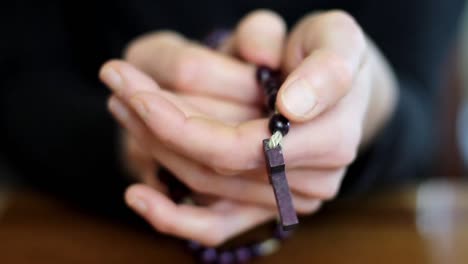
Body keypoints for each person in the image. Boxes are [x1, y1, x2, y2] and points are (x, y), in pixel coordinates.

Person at [1, 0, 464, 246]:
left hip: (368, 234)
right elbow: (20, 86)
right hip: (76, 225)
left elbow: (419, 103)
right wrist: (128, 137)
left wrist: (373, 102)